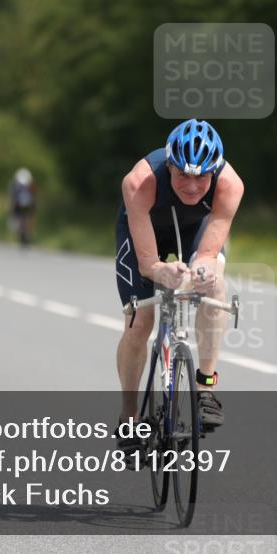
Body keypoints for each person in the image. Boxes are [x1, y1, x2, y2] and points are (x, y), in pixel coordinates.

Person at [114, 119, 244, 452]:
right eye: (182, 175)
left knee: (213, 285)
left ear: (214, 172)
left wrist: (201, 273)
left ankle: (206, 391)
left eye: (201, 176)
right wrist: (161, 270)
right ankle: (129, 418)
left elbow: (207, 255)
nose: (191, 185)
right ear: (169, 165)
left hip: (195, 231)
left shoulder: (230, 185)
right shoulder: (140, 182)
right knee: (140, 322)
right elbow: (147, 265)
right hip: (145, 232)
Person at [8, 168, 36, 247]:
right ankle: (25, 233)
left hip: (25, 206)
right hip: (20, 206)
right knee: (19, 218)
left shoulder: (28, 186)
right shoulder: (17, 186)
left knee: (28, 218)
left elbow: (33, 198)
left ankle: (28, 232)